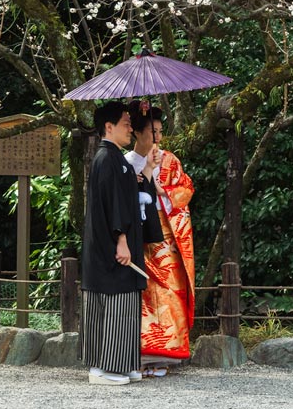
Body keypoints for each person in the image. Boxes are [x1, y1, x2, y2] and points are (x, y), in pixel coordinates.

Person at [80, 101, 161, 385]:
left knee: (124, 305)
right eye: (126, 123)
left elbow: (129, 194)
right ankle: (103, 369)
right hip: (112, 248)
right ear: (109, 126)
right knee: (113, 304)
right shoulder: (107, 158)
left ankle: (122, 365)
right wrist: (122, 240)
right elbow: (114, 204)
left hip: (117, 246)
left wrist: (148, 169)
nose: (130, 128)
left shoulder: (115, 159)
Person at [126, 100, 196, 378]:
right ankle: (141, 355)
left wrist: (162, 188)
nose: (158, 137)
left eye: (160, 131)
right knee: (141, 297)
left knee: (169, 295)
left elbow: (186, 190)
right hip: (139, 237)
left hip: (167, 239)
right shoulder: (127, 162)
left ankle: (166, 357)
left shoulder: (170, 160)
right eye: (152, 131)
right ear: (138, 133)